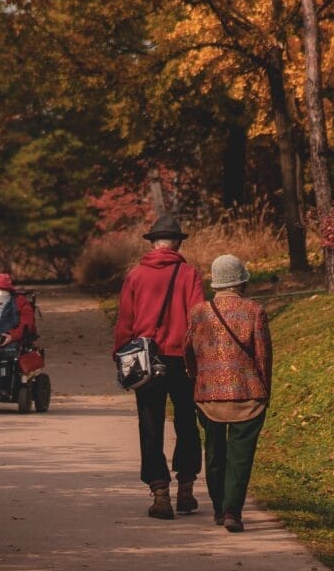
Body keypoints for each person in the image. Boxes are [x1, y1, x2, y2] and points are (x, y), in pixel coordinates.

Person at [111, 212, 207, 519]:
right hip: (183, 359)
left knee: (150, 424)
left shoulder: (136, 276)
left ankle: (160, 491)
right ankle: (186, 488)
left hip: (146, 359)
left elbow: (125, 321)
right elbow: (198, 318)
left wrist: (120, 354)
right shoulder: (189, 274)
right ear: (177, 244)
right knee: (186, 422)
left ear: (154, 243)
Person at [185, 252, 272, 533]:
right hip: (247, 394)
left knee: (214, 451)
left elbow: (188, 351)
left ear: (216, 283)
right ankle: (233, 510)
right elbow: (263, 356)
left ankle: (219, 507)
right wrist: (265, 387)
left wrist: (195, 377)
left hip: (209, 394)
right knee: (240, 455)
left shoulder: (199, 311)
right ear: (241, 282)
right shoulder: (254, 311)